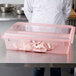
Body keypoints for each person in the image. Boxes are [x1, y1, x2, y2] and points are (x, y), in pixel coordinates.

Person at [24, 0, 72, 76]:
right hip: (38, 33)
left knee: (55, 63)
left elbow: (67, 10)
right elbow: (27, 10)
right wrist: (36, 23)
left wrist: (58, 22)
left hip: (56, 33)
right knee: (38, 63)